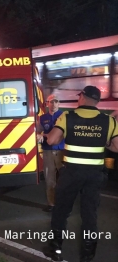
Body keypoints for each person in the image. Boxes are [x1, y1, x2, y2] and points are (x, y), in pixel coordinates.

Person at [44, 85, 118, 262]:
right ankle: (87, 254)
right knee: (89, 214)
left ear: (83, 97)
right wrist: (102, 142)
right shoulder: (108, 121)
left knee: (61, 211)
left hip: (71, 173)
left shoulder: (67, 116)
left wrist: (58, 134)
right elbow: (116, 147)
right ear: (98, 101)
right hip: (94, 175)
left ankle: (56, 250)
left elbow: (53, 139)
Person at [37, 94, 65, 212]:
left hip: (62, 151)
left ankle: (64, 203)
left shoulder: (64, 116)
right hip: (48, 151)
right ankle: (51, 204)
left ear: (59, 103)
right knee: (49, 179)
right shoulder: (43, 118)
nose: (53, 104)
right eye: (51, 102)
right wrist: (39, 136)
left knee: (64, 179)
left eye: (56, 102)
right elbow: (37, 132)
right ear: (47, 104)